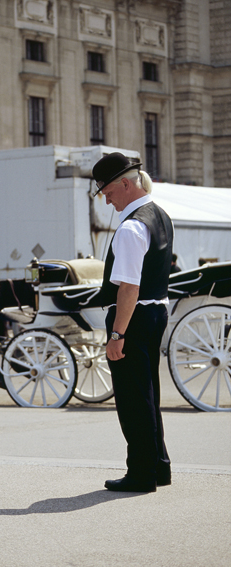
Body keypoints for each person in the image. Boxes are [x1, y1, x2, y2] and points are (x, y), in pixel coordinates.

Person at [93, 152, 173, 493]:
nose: (108, 202)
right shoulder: (160, 215)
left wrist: (116, 334)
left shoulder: (131, 227)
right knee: (148, 393)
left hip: (134, 317)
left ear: (125, 184)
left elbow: (128, 287)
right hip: (156, 312)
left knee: (132, 398)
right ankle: (159, 466)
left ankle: (141, 473)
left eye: (108, 193)